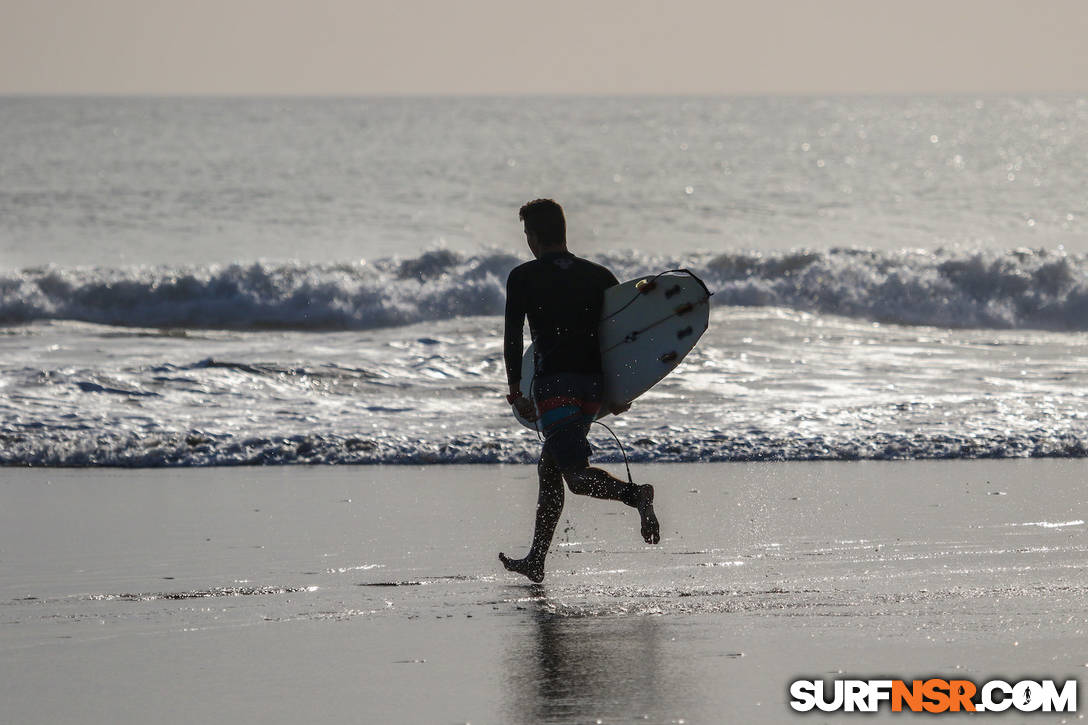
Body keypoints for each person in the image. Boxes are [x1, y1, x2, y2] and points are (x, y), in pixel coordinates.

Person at [499, 198, 660, 583]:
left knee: (574, 475)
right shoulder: (599, 275)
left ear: (534, 236)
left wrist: (515, 389)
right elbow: (618, 338)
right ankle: (536, 560)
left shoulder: (523, 277)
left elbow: (511, 337)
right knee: (549, 466)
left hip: (555, 387)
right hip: (591, 389)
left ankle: (636, 495)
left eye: (527, 235)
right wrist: (617, 392)